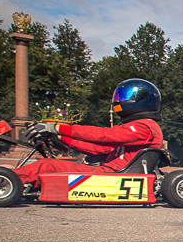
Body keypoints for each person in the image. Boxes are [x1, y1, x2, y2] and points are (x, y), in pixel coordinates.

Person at [10, 78, 164, 186]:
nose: (119, 101)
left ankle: (6, 180)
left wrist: (57, 127)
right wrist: (62, 138)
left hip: (114, 175)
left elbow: (104, 136)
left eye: (124, 97)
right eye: (118, 96)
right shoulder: (133, 128)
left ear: (143, 99)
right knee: (48, 166)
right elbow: (99, 149)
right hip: (109, 172)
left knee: (46, 166)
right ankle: (12, 181)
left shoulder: (145, 127)